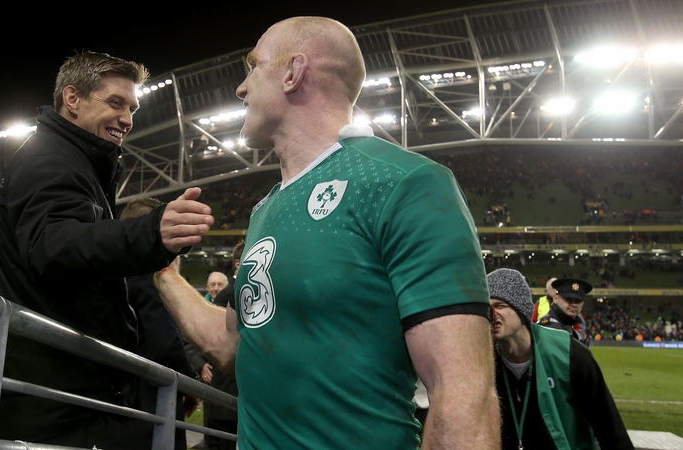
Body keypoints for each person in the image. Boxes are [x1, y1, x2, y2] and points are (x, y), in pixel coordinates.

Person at [154, 16, 499, 449]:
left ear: (293, 72)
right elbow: (234, 345)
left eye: (253, 66)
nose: (241, 89)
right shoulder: (266, 208)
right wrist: (163, 272)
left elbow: (462, 393)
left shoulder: (404, 183)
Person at [0, 51, 214, 447]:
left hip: (69, 392)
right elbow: (52, 246)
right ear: (72, 99)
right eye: (115, 103)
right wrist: (150, 233)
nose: (128, 118)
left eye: (132, 107)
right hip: (55, 399)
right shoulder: (48, 159)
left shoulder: (75, 161)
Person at [487, 268, 633, 449]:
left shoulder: (571, 353)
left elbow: (610, 429)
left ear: (521, 307)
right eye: (487, 307)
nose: (491, 314)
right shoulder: (484, 362)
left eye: (500, 306)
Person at [119, 196, 201, 450]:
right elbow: (164, 341)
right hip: (146, 399)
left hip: (116, 399)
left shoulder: (108, 267)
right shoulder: (148, 271)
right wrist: (191, 384)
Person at [203, 241, 243, 450]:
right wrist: (201, 363)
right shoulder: (231, 293)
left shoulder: (233, 291)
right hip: (225, 393)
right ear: (238, 263)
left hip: (228, 394)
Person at [538, 277, 591, 345]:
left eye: (578, 301)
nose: (574, 304)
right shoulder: (549, 328)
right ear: (555, 298)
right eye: (568, 299)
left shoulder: (567, 327)